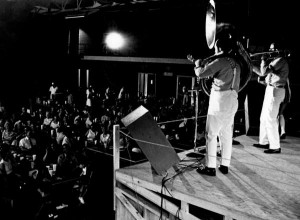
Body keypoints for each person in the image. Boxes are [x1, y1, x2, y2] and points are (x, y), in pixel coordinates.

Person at [193, 34, 241, 176]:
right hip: (233, 98)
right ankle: (225, 165)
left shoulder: (221, 61)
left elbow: (201, 74)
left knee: (211, 134)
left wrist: (197, 64)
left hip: (220, 99)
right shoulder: (236, 63)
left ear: (219, 47)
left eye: (215, 48)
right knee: (226, 133)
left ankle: (210, 167)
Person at [252, 41, 289, 153]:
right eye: (270, 48)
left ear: (278, 50)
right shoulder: (274, 61)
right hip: (270, 89)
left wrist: (263, 60)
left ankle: (275, 146)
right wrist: (250, 65)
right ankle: (264, 141)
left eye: (272, 49)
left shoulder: (280, 60)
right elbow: (261, 72)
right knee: (264, 117)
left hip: (276, 90)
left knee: (271, 119)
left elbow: (263, 72)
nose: (270, 50)